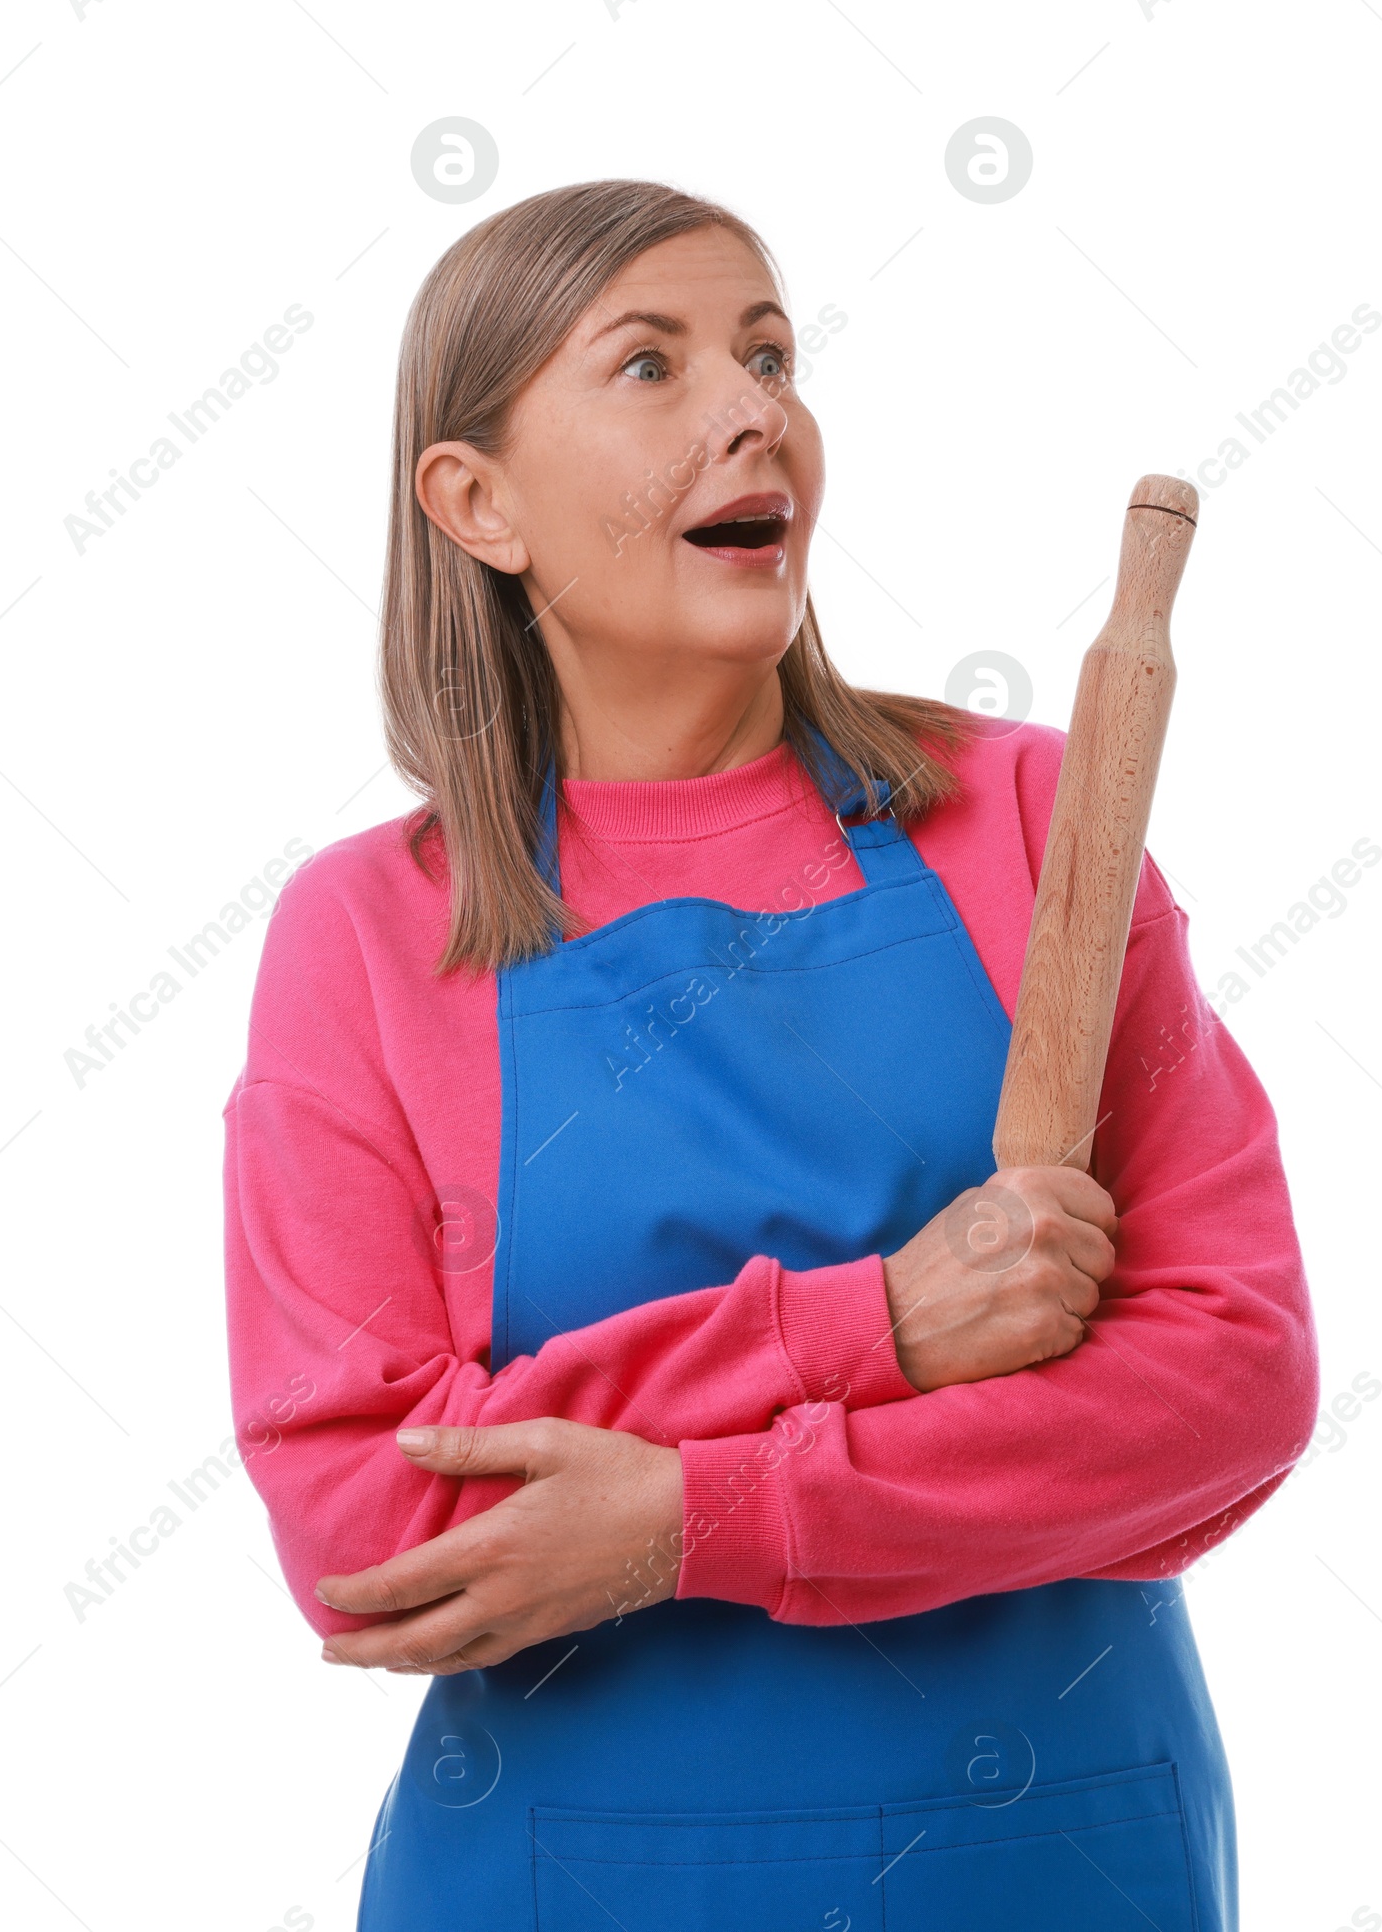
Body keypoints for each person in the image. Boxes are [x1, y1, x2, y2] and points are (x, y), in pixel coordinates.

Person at [223, 178, 1318, 1931]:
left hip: (1050, 1863)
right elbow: (368, 1531)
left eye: (771, 353)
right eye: (650, 365)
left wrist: (687, 1521)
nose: (758, 414)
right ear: (476, 499)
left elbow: (1229, 1379)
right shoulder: (370, 933)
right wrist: (873, 1324)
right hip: (567, 1881)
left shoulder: (1025, 821)